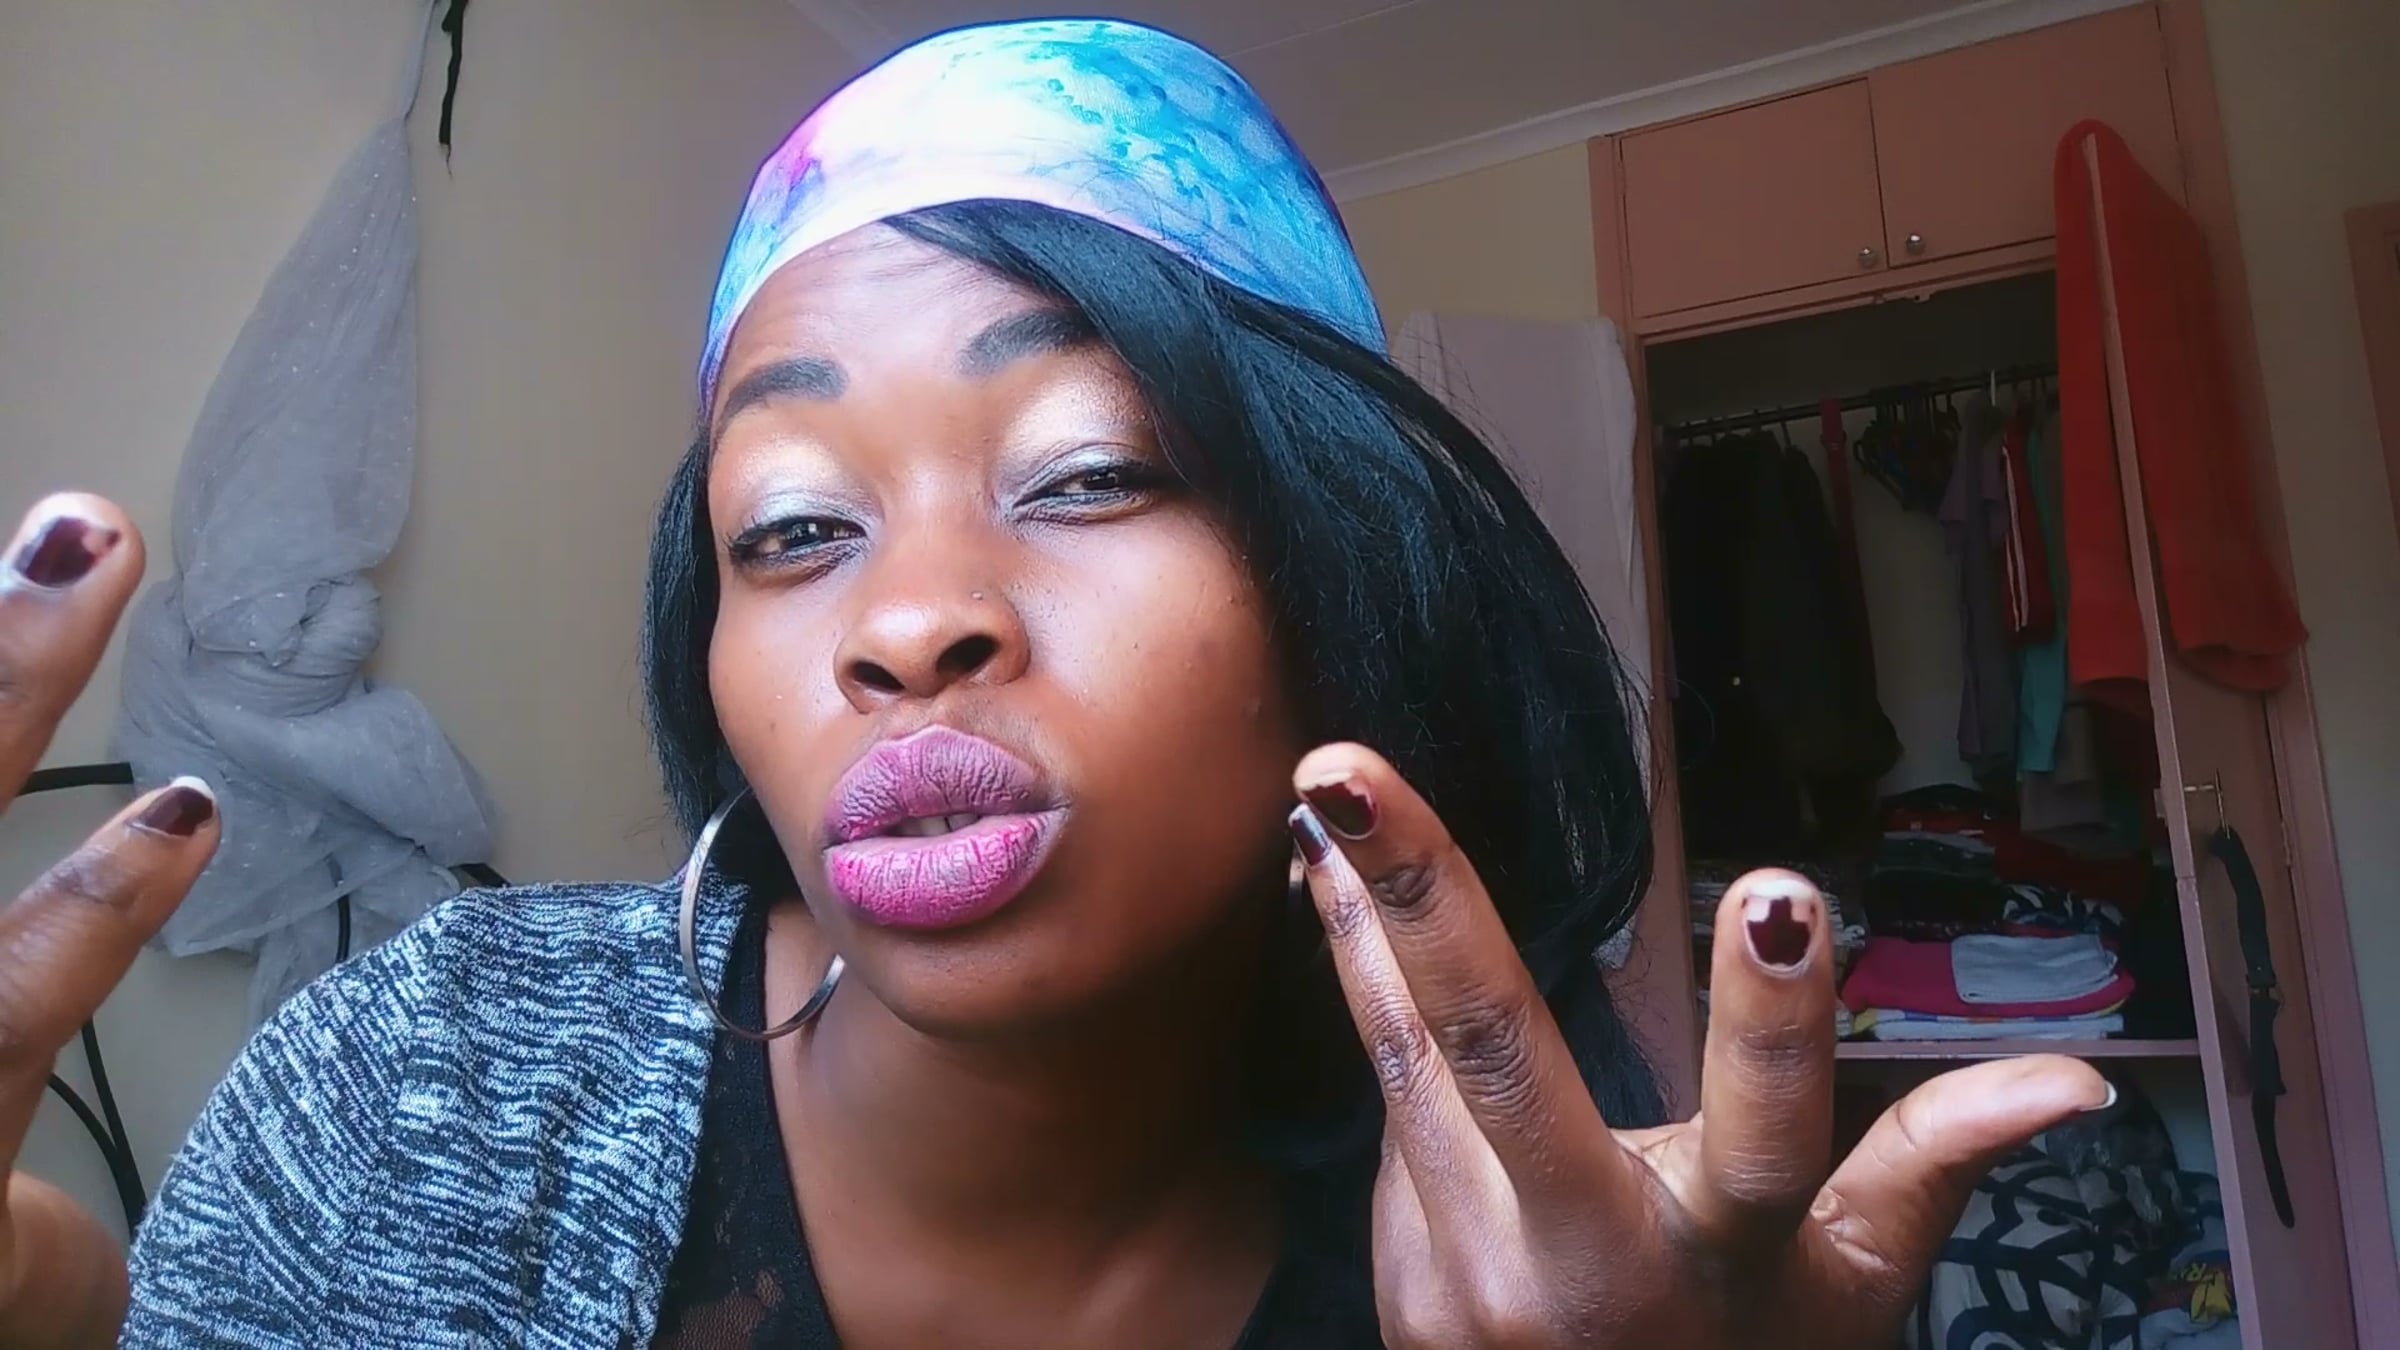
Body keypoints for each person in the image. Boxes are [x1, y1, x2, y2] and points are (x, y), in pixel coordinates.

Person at [0, 19, 2109, 1348]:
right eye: (791, 526)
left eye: (1088, 472)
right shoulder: (415, 1093)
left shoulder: (1586, 1266)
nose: (906, 622)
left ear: (1336, 582)